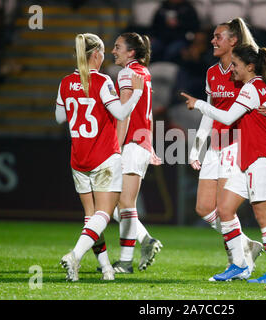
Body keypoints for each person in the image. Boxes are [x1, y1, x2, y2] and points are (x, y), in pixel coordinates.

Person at [188, 17, 266, 273]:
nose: (212, 41)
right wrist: (196, 147)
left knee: (226, 208)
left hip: (237, 144)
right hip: (216, 142)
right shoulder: (213, 72)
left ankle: (236, 262)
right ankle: (245, 244)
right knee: (203, 207)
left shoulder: (247, 71)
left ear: (233, 40)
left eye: (218, 36)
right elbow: (210, 114)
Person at [56, 33, 144, 282]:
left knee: (90, 216)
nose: (105, 56)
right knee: (103, 214)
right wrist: (136, 93)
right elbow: (121, 112)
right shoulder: (103, 81)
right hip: (104, 156)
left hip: (78, 158)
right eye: (103, 51)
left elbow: (60, 118)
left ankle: (106, 269)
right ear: (95, 54)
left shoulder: (65, 82)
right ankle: (75, 255)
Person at [110, 32, 163, 274]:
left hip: (130, 143)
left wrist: (116, 147)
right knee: (114, 205)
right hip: (140, 143)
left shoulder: (126, 74)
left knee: (124, 205)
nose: (114, 51)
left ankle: (124, 262)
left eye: (118, 47)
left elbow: (125, 113)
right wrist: (149, 143)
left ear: (131, 52)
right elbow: (146, 113)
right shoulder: (144, 72)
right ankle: (145, 240)